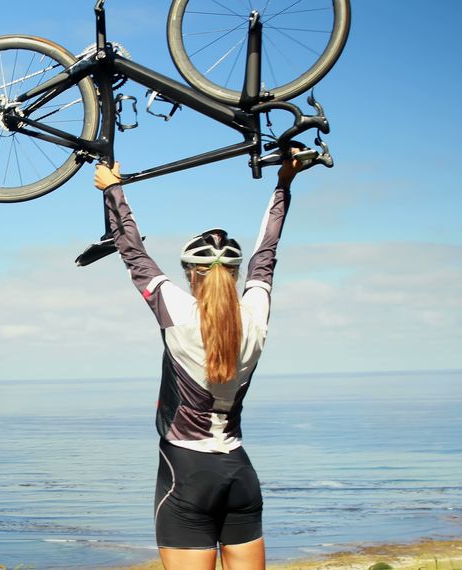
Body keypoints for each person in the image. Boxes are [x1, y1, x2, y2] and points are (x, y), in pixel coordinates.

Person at [93, 152, 305, 570]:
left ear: (192, 274)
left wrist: (111, 189)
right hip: (240, 474)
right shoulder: (255, 315)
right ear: (235, 274)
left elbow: (132, 252)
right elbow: (267, 254)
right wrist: (284, 182)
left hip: (187, 475)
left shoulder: (177, 311)